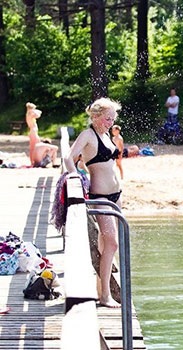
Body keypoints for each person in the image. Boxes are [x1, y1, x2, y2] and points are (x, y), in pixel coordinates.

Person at [63, 97, 123, 308]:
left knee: (106, 242)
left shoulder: (105, 134)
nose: (110, 123)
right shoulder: (87, 135)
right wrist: (75, 176)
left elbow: (111, 162)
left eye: (113, 119)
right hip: (101, 197)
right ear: (96, 116)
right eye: (107, 118)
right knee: (113, 243)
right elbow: (69, 157)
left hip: (116, 195)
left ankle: (101, 287)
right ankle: (105, 295)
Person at [25, 102, 59, 168]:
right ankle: (33, 161)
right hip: (33, 132)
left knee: (32, 148)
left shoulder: (28, 114)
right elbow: (39, 114)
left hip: (32, 131)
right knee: (34, 147)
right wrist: (34, 110)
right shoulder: (30, 113)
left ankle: (32, 161)